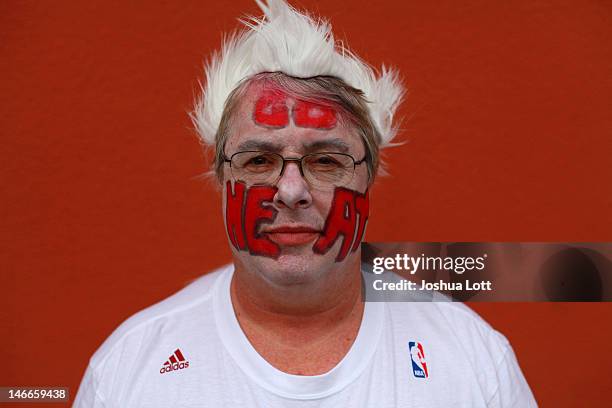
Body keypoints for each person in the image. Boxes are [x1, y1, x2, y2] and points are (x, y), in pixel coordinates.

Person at [73, 0, 537, 406]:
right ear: (221, 178)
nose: (291, 191)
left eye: (326, 161)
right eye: (258, 159)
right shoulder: (130, 368)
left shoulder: (471, 358)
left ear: (367, 179)